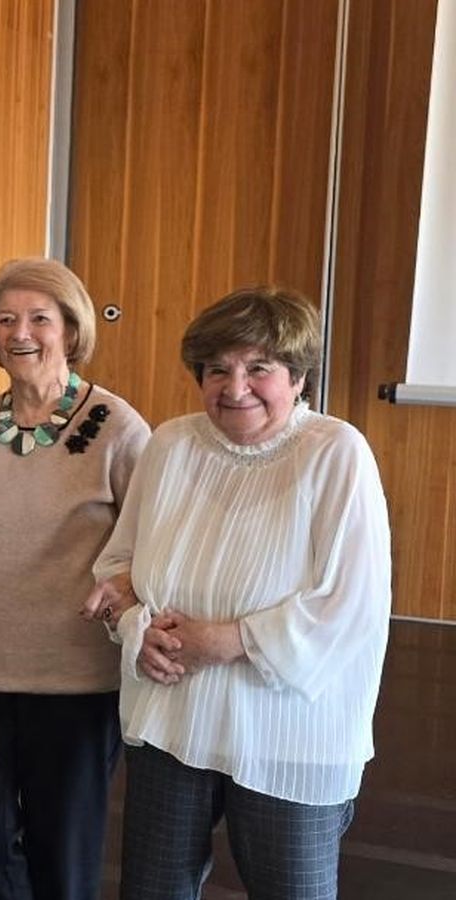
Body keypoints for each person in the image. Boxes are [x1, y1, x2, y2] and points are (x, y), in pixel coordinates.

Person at [81, 287, 391, 900]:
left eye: (259, 368)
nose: (235, 385)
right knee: (152, 889)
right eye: (217, 368)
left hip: (287, 728)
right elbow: (117, 565)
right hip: (175, 715)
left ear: (298, 378)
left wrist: (226, 640)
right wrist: (137, 629)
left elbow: (350, 604)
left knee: (291, 889)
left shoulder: (335, 452)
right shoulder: (171, 444)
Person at [0, 258, 149, 899]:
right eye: (6, 319)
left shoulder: (117, 428)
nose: (21, 332)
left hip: (77, 687)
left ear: (70, 331)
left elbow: (154, 546)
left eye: (39, 318)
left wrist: (126, 587)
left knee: (61, 857)